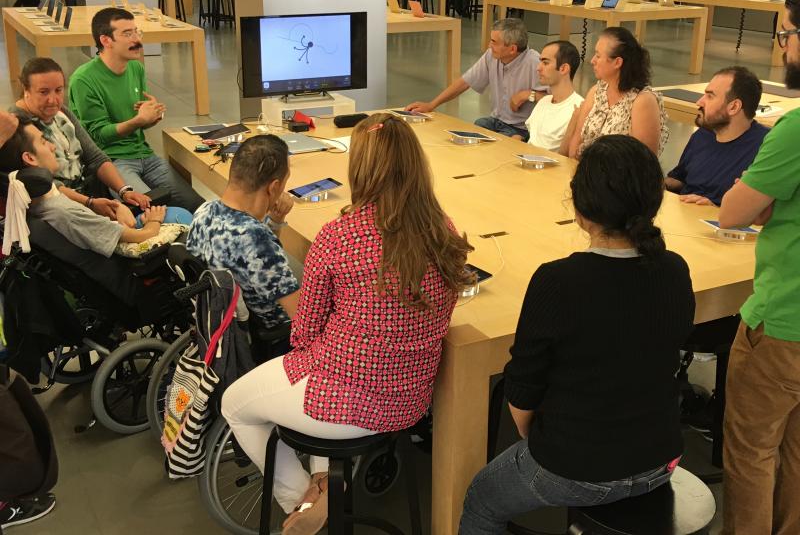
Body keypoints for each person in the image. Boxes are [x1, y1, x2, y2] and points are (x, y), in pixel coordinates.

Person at [221, 114, 473, 534]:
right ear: (416, 164)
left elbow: (304, 333)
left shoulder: (338, 236)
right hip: (411, 398)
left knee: (236, 404)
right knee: (317, 380)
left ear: (359, 169)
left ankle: (303, 501)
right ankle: (326, 488)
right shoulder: (442, 231)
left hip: (343, 399)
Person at [460, 135, 694, 534]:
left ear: (581, 209)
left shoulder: (558, 280)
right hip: (661, 459)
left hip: (579, 467)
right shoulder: (674, 268)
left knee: (481, 499)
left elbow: (521, 393)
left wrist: (551, 445)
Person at [717, 0, 800, 535]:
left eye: (787, 35)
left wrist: (766, 205)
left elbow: (732, 212)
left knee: (750, 455)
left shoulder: (793, 130)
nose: (783, 49)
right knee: (795, 457)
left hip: (782, 324)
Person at [12, 57, 192, 226]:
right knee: (177, 218)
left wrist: (124, 191)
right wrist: (91, 204)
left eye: (59, 90)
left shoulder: (62, 113)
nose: (53, 100)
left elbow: (95, 157)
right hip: (68, 211)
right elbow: (47, 186)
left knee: (183, 212)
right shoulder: (19, 126)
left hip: (92, 198)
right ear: (25, 90)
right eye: (43, 92)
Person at [68, 8, 205, 212]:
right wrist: (139, 121)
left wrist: (152, 116)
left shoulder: (136, 68)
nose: (136, 39)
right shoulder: (84, 80)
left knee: (197, 206)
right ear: (106, 40)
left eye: (136, 32)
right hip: (113, 160)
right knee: (151, 211)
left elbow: (140, 119)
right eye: (127, 34)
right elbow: (97, 135)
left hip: (145, 154)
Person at [0, 118, 171, 258]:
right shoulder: (61, 210)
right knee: (179, 214)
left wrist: (114, 207)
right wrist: (154, 221)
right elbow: (139, 237)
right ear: (30, 158)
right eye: (44, 142)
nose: (53, 146)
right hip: (133, 267)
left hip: (110, 233)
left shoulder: (27, 197)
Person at [187, 135, 300, 339]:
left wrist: (275, 220)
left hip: (224, 321)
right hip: (274, 335)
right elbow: (300, 315)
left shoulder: (204, 211)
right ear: (273, 187)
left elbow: (258, 264)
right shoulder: (256, 239)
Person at [406, 18, 546, 141]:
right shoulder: (491, 55)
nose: (489, 46)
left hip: (521, 129)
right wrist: (431, 105)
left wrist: (528, 95)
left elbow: (559, 101)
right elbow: (465, 82)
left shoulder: (535, 63)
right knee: (467, 134)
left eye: (494, 42)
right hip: (495, 121)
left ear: (512, 49)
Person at [666, 66, 768, 207]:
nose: (699, 102)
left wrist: (716, 209)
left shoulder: (766, 148)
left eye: (710, 96)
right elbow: (679, 179)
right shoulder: (703, 135)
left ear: (734, 107)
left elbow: (761, 212)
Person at [566, 26, 669, 158]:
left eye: (598, 56)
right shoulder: (596, 92)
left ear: (617, 62)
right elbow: (577, 138)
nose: (592, 61)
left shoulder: (642, 101)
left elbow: (644, 161)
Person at [524, 40, 583, 153]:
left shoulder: (578, 108)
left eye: (545, 63)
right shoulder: (543, 102)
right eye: (540, 62)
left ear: (564, 69)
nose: (538, 68)